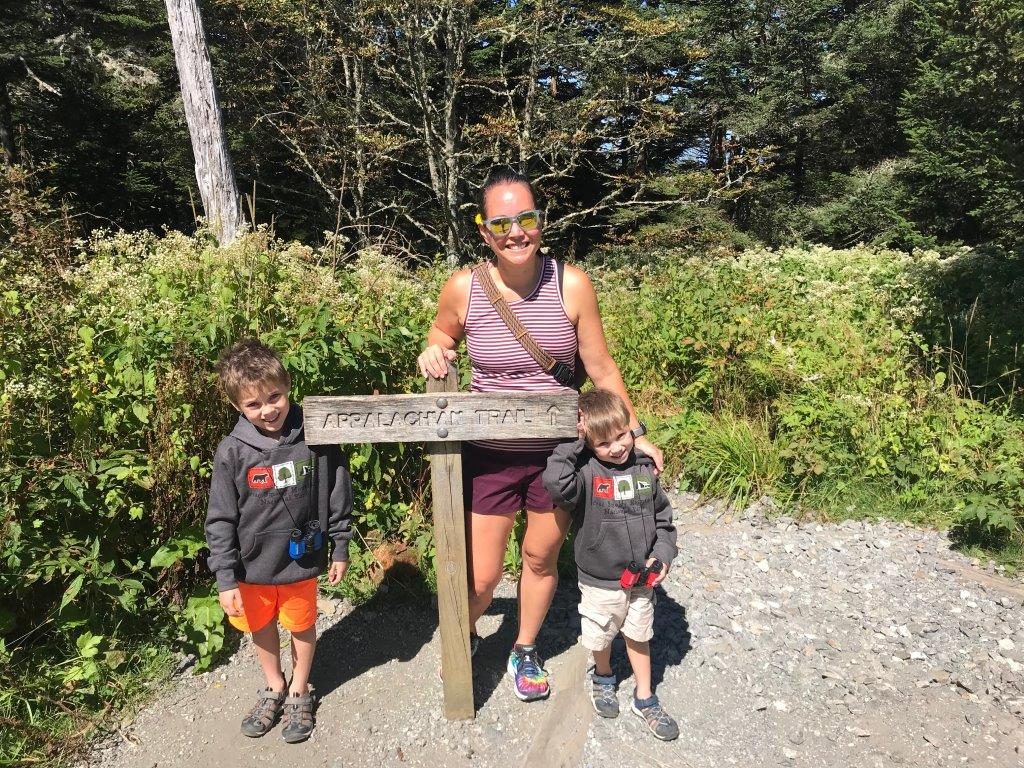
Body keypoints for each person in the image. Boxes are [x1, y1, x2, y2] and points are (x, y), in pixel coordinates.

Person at [418, 166, 663, 702]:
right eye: (501, 222)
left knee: (539, 558)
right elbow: (441, 331)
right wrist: (434, 348)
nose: (515, 232)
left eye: (525, 218)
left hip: (560, 455)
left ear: (540, 221)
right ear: (484, 231)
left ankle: (524, 648)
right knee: (481, 578)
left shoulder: (571, 283)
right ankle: (462, 638)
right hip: (489, 455)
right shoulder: (464, 287)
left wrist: (633, 431)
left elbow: (600, 368)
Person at [205, 339, 353, 743]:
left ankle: (300, 690)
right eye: (254, 405)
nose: (268, 410)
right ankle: (274, 685)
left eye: (275, 397)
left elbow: (338, 491)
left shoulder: (316, 435)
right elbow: (220, 517)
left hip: (301, 561)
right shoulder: (232, 451)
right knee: (261, 626)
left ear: (287, 386)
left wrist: (339, 544)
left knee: (301, 625)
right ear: (237, 406)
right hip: (251, 567)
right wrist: (225, 576)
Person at [543, 388, 679, 740]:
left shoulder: (644, 470)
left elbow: (664, 522)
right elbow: (555, 483)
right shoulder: (585, 472)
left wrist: (662, 554)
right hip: (600, 579)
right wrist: (575, 442)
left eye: (621, 436)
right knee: (601, 634)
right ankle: (603, 677)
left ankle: (645, 697)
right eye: (604, 443)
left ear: (630, 429)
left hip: (640, 580)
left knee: (639, 633)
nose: (616, 447)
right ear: (589, 444)